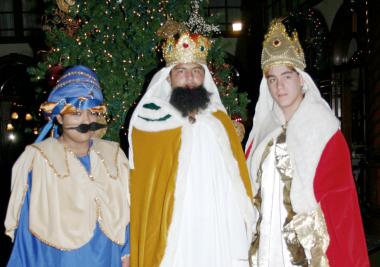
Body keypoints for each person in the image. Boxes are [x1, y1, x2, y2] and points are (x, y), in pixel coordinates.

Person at [245, 20, 369, 267]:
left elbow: (342, 207)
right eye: (272, 79)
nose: (279, 86)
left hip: (307, 246)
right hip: (266, 243)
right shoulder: (263, 132)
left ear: (301, 79)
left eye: (287, 76)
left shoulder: (324, 131)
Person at [128, 31, 256, 267]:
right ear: (168, 77)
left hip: (218, 223)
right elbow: (146, 189)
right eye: (181, 71)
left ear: (204, 77)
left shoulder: (219, 121)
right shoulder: (150, 121)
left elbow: (236, 177)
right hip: (176, 227)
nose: (189, 78)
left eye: (196, 71)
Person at [4, 65, 131, 267]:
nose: (87, 120)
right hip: (59, 258)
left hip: (109, 256)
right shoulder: (38, 158)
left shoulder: (114, 154)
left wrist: (127, 252)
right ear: (59, 116)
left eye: (92, 113)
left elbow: (126, 207)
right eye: (76, 114)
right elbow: (27, 226)